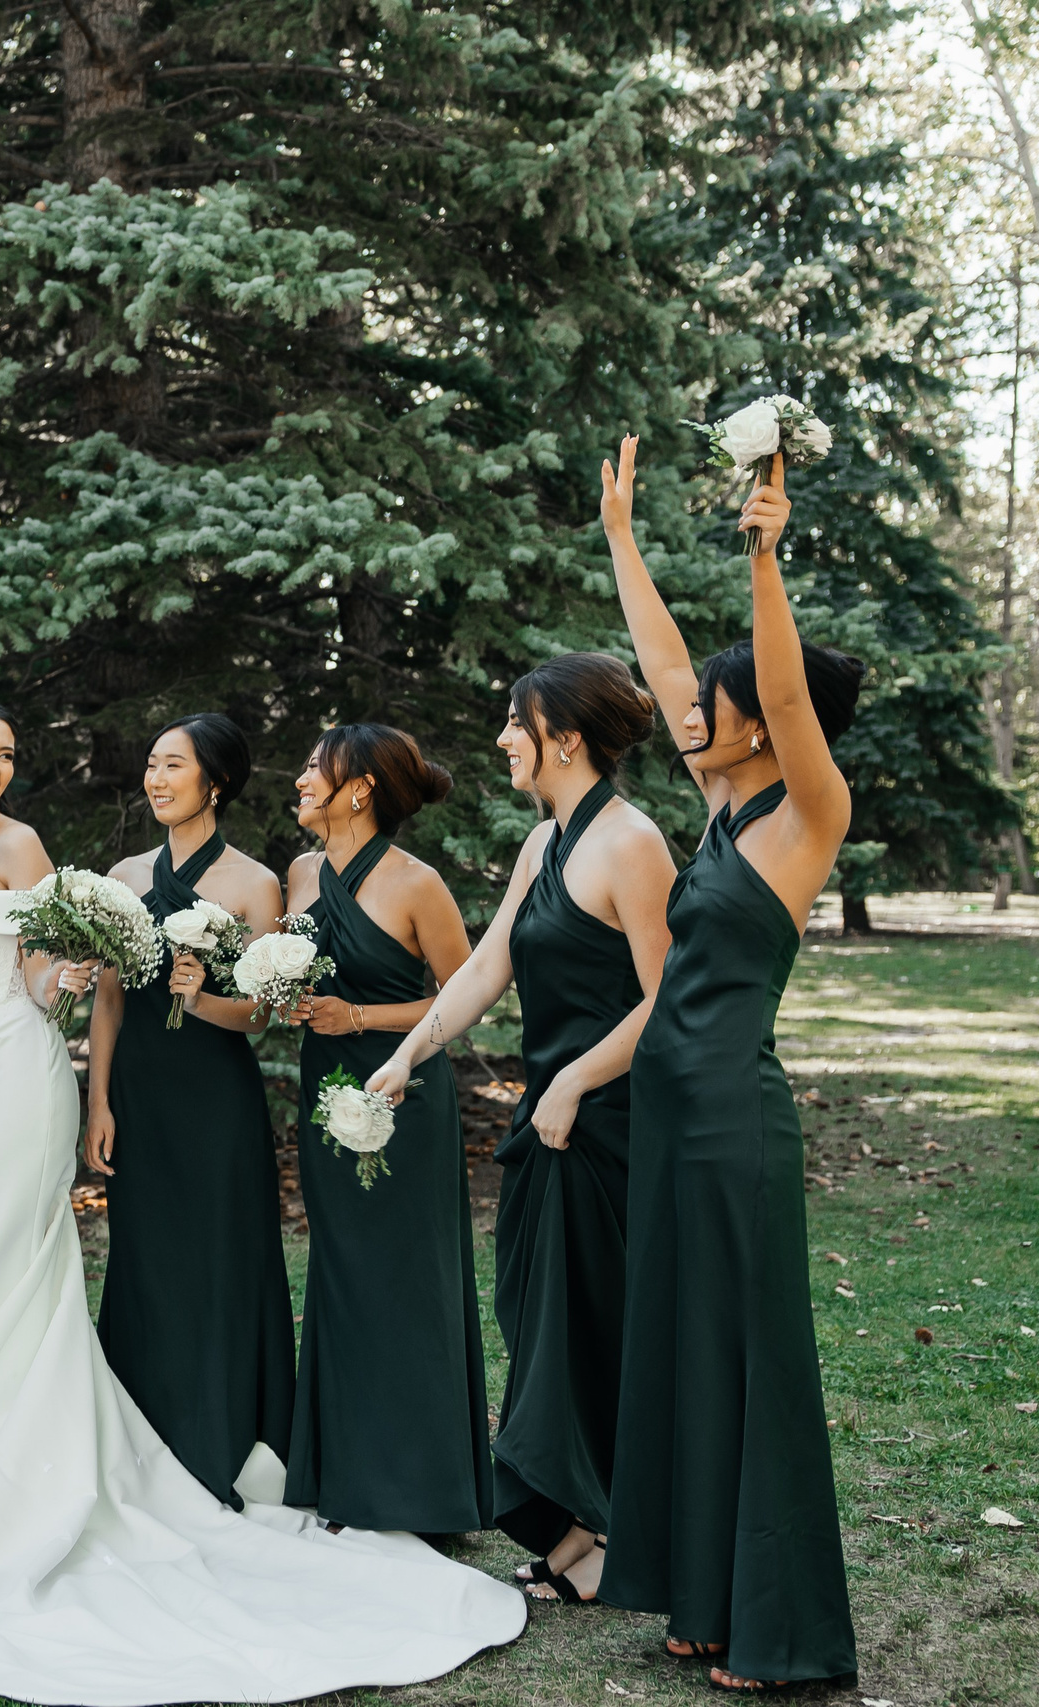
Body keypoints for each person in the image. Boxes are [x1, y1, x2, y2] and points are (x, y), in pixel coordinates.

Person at [0, 699, 526, 1706]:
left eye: (7, 752)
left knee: (11, 1272)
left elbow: (54, 973)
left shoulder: (23, 845)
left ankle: (16, 1487)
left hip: (15, 1075)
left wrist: (67, 975)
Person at [597, 435, 861, 1691]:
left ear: (758, 719)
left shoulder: (809, 815)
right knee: (688, 1354)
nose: (691, 715)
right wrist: (622, 541)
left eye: (718, 702)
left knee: (750, 1360)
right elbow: (657, 665)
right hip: (667, 1121)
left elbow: (793, 696)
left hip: (734, 1128)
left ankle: (776, 1627)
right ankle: (701, 1601)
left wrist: (763, 554)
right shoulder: (719, 808)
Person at [368, 657, 675, 1604]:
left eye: (517, 722)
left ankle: (611, 1534)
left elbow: (671, 1001)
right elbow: (485, 968)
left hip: (611, 1123)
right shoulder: (544, 844)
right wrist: (408, 1052)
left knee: (587, 1328)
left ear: (566, 738)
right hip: (552, 1123)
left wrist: (576, 1080)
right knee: (539, 1322)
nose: (504, 737)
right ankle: (570, 1530)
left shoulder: (633, 845)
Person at [82, 712, 294, 1509]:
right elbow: (107, 994)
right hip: (139, 1091)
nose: (156, 778)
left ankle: (222, 1435)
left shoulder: (252, 883)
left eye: (174, 764)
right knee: (144, 1258)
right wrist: (98, 1099)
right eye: (151, 762)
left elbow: (261, 1014)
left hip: (215, 1099)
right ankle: (143, 1435)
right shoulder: (125, 875)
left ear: (217, 780)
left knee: (219, 1259)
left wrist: (203, 997)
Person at [282, 723, 489, 1537]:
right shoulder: (300, 872)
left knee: (408, 1281)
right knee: (341, 1274)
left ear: (359, 787)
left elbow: (465, 996)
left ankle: (423, 1490)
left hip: (402, 1093)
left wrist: (358, 1015)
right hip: (323, 1089)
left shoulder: (416, 883)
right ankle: (348, 1478)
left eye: (312, 767)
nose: (300, 780)